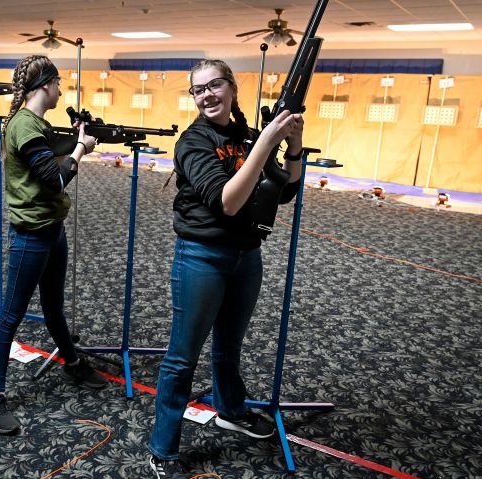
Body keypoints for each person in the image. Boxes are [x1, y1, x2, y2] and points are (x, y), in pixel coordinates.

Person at [147, 59, 305, 478]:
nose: (207, 95)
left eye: (215, 85)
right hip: (202, 256)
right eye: (198, 90)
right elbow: (227, 202)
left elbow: (283, 190)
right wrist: (264, 144)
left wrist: (291, 147)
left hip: (245, 255)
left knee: (229, 347)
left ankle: (230, 410)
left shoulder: (246, 135)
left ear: (233, 88)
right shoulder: (193, 142)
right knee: (182, 359)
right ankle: (162, 450)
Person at [0, 55, 107, 436]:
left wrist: (74, 137)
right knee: (11, 314)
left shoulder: (36, 123)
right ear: (45, 86)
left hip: (52, 230)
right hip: (31, 236)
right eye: (58, 83)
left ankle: (71, 362)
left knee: (53, 307)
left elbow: (48, 154)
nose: (61, 89)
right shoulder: (24, 125)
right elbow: (54, 179)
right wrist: (82, 146)